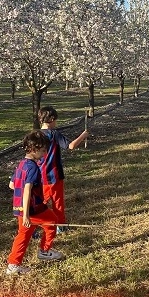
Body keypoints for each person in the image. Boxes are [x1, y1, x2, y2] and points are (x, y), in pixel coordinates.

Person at [35, 106, 88, 259]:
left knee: (41, 203)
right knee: (58, 203)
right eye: (56, 120)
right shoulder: (54, 134)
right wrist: (83, 136)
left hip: (39, 177)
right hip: (54, 176)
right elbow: (70, 146)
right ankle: (60, 226)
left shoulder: (36, 134)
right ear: (51, 120)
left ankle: (38, 226)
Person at [6, 130, 51, 274]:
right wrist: (26, 215)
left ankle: (13, 264)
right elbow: (27, 190)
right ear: (34, 149)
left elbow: (12, 185)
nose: (44, 154)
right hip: (32, 210)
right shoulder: (33, 168)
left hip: (20, 208)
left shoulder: (22, 164)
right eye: (43, 151)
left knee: (23, 234)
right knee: (52, 223)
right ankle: (44, 251)